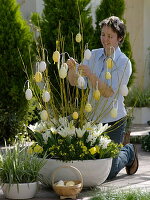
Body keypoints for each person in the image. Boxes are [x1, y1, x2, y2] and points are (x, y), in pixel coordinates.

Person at [67, 16, 138, 180]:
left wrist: (90, 74)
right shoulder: (92, 55)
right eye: (103, 34)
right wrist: (72, 70)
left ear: (119, 38)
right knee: (89, 163)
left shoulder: (124, 62)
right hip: (92, 119)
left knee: (109, 171)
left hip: (114, 121)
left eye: (110, 36)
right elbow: (78, 83)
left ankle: (128, 151)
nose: (105, 40)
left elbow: (108, 92)